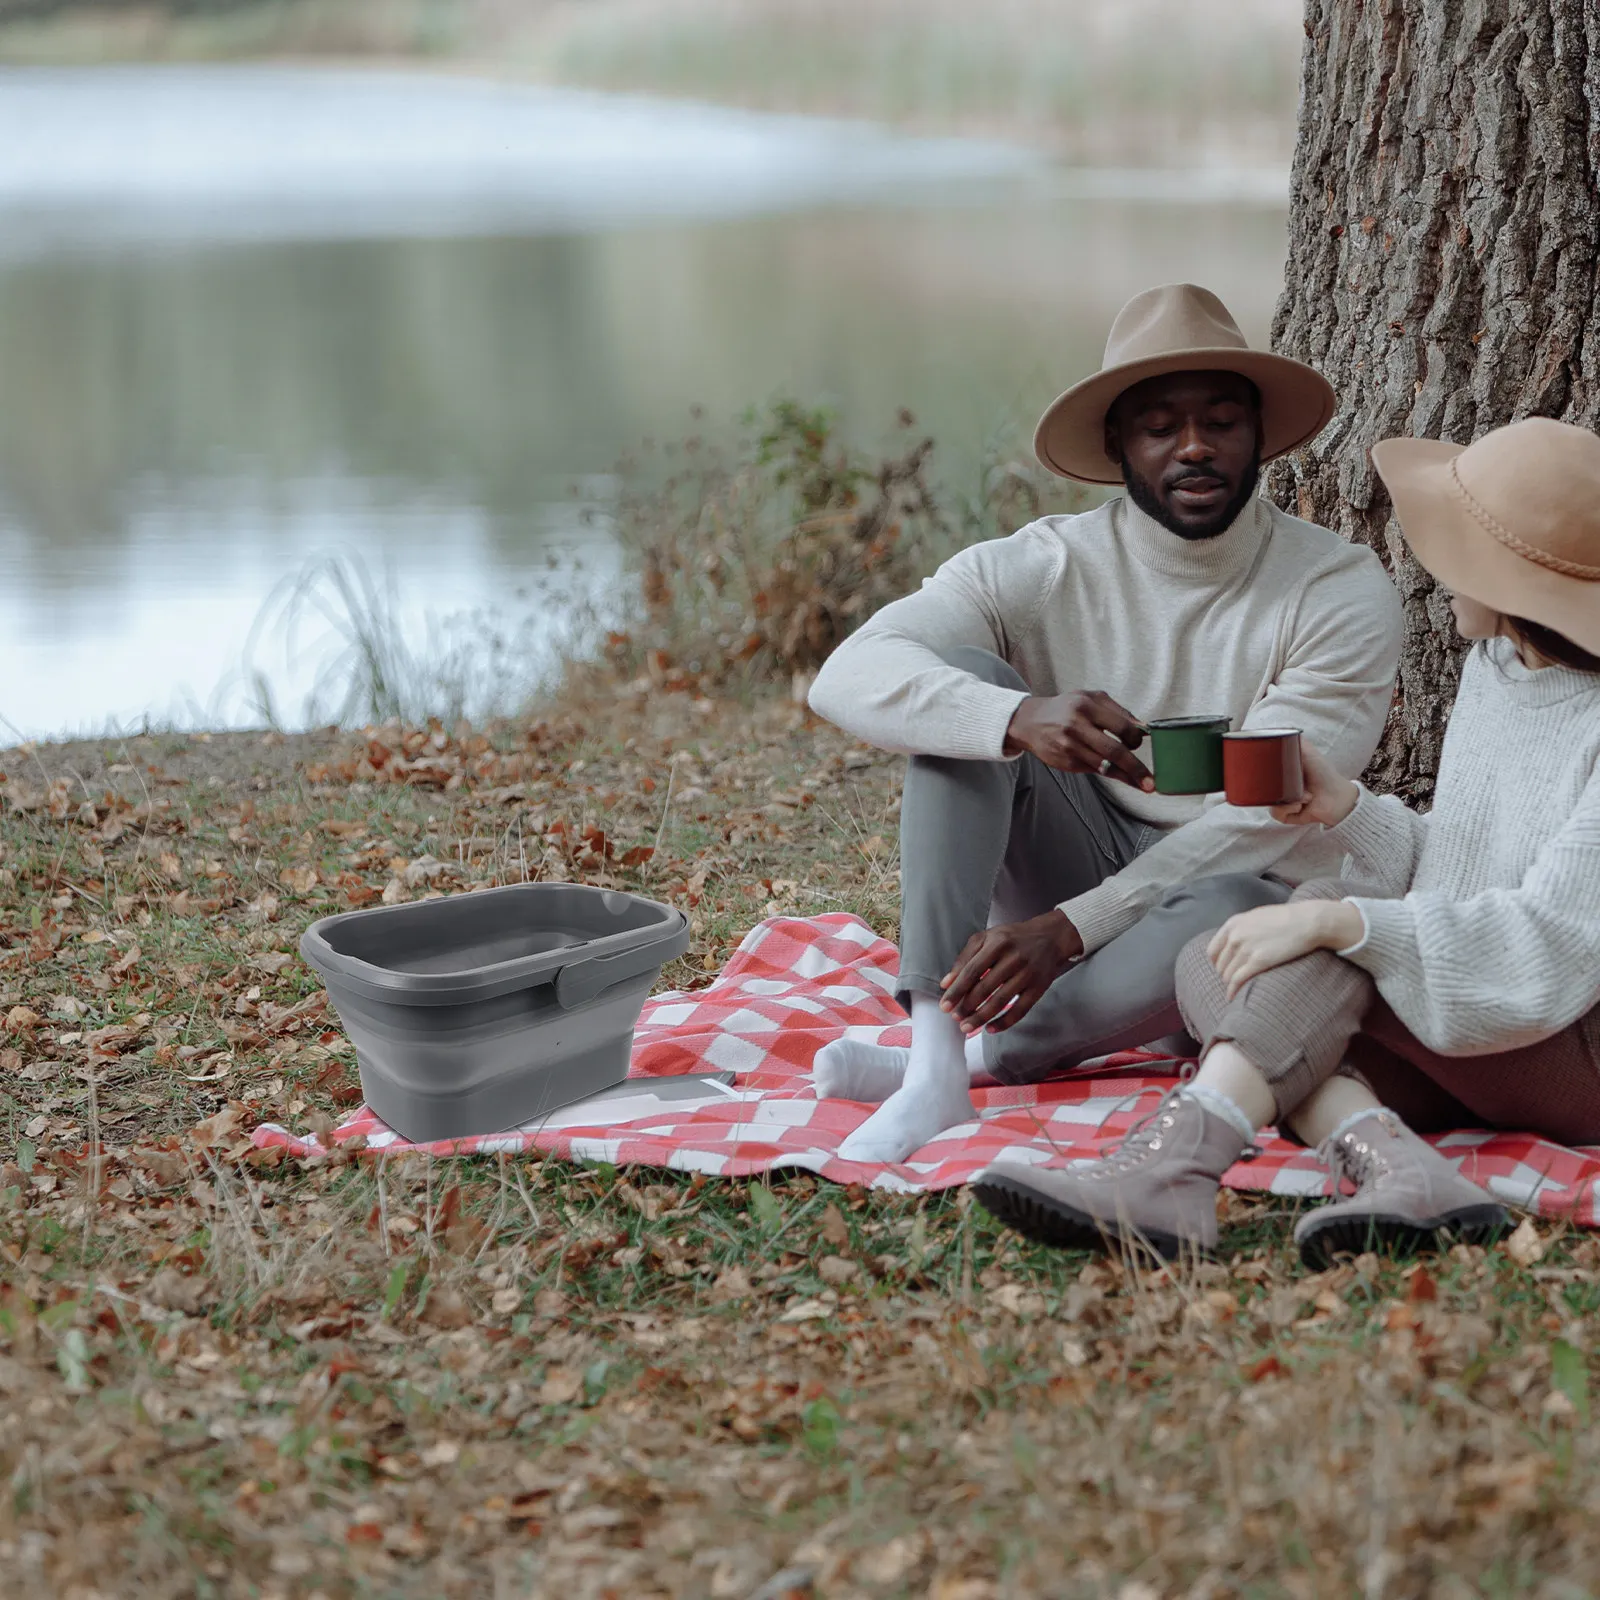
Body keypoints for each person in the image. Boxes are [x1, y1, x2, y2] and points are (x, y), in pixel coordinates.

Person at [973, 416, 1600, 1266]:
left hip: (1570, 1050)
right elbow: (1460, 868)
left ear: (1511, 582)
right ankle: (1405, 1171)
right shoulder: (1499, 672)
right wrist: (1347, 810)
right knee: (1217, 956)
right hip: (1477, 1032)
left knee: (1311, 924)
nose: (1428, 563)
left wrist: (1344, 924)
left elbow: (1548, 950)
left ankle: (1169, 1169)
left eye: (1451, 549)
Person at [807, 283, 1403, 1162]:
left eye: (1221, 421)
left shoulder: (1336, 589)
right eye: (1160, 426)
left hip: (1212, 929)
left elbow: (1258, 822)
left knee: (1249, 897)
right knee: (965, 693)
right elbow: (844, 677)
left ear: (1258, 435)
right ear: (1118, 444)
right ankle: (930, 1060)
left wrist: (1073, 929)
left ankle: (981, 1059)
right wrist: (1014, 716)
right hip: (1067, 873)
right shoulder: (1042, 566)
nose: (1194, 446)